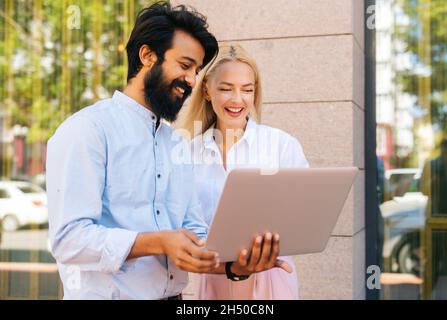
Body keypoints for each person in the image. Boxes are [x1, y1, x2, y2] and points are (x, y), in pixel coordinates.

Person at [46, 3, 286, 300]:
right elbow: (69, 240)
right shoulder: (87, 131)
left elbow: (192, 232)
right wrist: (157, 242)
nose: (191, 80)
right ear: (147, 56)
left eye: (197, 71)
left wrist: (235, 265)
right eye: (185, 66)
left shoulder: (176, 143)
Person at [178, 43, 309, 299]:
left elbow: (303, 213)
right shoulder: (188, 154)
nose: (237, 100)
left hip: (272, 276)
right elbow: (184, 226)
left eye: (247, 90)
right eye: (226, 89)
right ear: (206, 90)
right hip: (216, 278)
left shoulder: (281, 145)